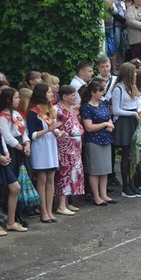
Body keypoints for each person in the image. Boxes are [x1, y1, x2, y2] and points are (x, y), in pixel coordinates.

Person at [0, 86, 27, 236]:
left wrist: (4, 151)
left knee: (15, 187)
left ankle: (11, 222)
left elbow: (0, 136)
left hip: (0, 151)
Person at [27, 83, 66, 223]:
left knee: (51, 180)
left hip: (50, 147)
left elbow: (52, 129)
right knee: (42, 180)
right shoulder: (33, 112)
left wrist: (59, 132)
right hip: (40, 148)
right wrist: (50, 129)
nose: (52, 94)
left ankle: (50, 211)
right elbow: (32, 135)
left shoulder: (49, 111)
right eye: (49, 92)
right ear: (42, 95)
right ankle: (43, 212)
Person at [112, 63, 141, 198]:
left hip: (134, 119)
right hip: (125, 121)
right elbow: (116, 109)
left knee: (135, 153)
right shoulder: (118, 89)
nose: (136, 75)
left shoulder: (132, 87)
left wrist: (138, 112)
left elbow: (137, 104)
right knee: (126, 153)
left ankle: (133, 184)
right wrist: (132, 114)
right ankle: (125, 185)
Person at [81, 80, 116, 206]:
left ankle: (104, 194)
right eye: (100, 91)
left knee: (105, 169)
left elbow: (109, 119)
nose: (102, 93)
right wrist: (105, 124)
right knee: (95, 169)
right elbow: (88, 127)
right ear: (93, 92)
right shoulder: (86, 107)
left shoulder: (103, 103)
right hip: (94, 140)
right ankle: (96, 196)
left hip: (105, 138)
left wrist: (110, 125)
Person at [54, 85, 85, 215]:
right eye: (72, 95)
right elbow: (54, 126)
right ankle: (61, 205)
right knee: (64, 174)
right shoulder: (57, 109)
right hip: (64, 146)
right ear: (65, 97)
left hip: (75, 145)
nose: (75, 97)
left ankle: (67, 202)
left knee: (73, 172)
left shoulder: (72, 108)